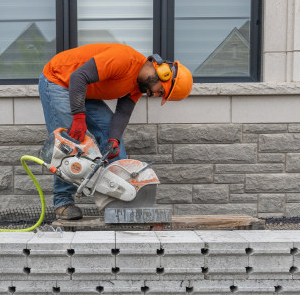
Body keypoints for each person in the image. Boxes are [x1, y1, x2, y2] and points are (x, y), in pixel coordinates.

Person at [39, 43, 193, 220]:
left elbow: (122, 113)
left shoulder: (138, 87)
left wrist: (113, 139)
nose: (155, 95)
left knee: (111, 134)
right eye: (161, 92)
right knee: (70, 143)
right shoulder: (123, 59)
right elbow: (78, 77)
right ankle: (63, 202)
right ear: (163, 74)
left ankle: (122, 196)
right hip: (58, 80)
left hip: (83, 90)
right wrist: (79, 117)